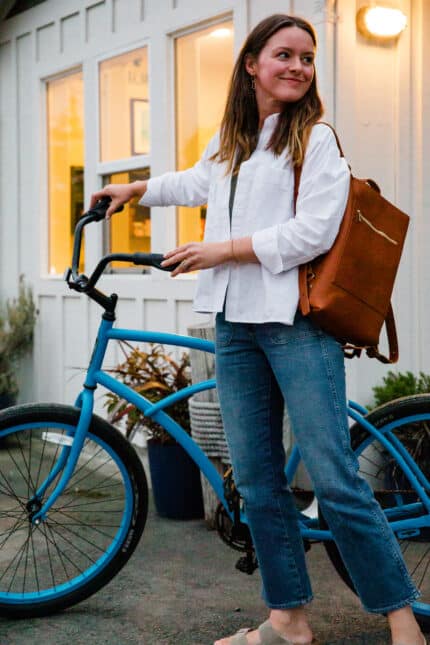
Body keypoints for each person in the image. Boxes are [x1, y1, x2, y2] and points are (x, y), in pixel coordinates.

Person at [90, 13, 426, 645]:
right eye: (284, 54)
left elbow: (313, 233)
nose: (298, 66)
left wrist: (223, 250)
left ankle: (404, 625)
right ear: (252, 64)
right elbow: (195, 181)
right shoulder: (236, 140)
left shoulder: (316, 139)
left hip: (297, 324)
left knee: (334, 478)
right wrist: (135, 188)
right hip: (235, 327)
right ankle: (288, 621)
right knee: (259, 481)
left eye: (307, 57)